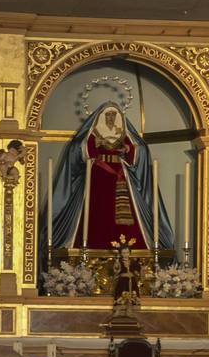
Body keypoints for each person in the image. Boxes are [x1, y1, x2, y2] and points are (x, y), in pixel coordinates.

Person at [47, 101, 173, 252]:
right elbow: (76, 150)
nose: (111, 118)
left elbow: (141, 150)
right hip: (96, 175)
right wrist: (94, 144)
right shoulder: (92, 134)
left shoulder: (124, 134)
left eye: (114, 115)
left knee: (127, 217)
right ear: (101, 117)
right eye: (108, 115)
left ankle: (130, 248)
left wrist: (128, 148)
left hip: (121, 176)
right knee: (96, 210)